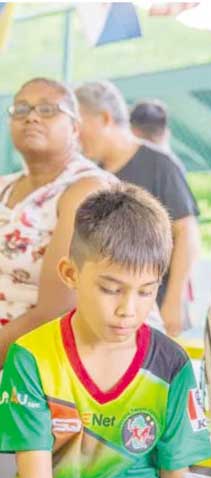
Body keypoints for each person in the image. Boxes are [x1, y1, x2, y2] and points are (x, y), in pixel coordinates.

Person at [0, 185, 211, 478]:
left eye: (146, 291)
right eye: (111, 290)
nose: (128, 309)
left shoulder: (171, 365)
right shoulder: (31, 358)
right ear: (70, 274)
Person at [0, 78, 114, 368]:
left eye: (48, 109)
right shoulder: (5, 186)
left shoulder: (88, 189)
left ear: (75, 128)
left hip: (47, 361)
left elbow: (55, 312)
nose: (32, 117)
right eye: (21, 109)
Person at [75, 81, 200, 337]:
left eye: (79, 122)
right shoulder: (90, 175)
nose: (75, 133)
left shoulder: (158, 163)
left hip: (153, 306)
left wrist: (174, 301)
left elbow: (187, 232)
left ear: (104, 118)